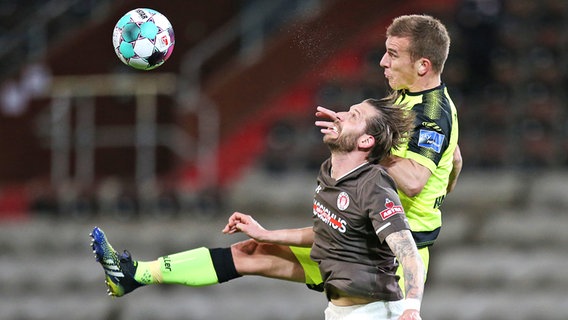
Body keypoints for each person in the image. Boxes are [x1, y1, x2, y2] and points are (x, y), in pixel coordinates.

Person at [91, 12, 461, 315]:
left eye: (393, 54)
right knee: (252, 252)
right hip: (359, 231)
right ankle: (133, 274)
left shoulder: (431, 111)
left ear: (423, 65)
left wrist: (378, 150)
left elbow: (413, 180)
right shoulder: (406, 95)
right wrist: (439, 194)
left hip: (385, 252)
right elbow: (454, 156)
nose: (383, 60)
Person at [92, 97, 425, 319]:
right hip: (340, 310)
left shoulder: (374, 184)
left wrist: (411, 306)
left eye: (353, 116)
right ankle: (134, 275)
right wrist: (266, 233)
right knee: (253, 249)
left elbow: (406, 249)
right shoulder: (330, 173)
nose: (338, 114)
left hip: (377, 313)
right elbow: (328, 231)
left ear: (366, 142)